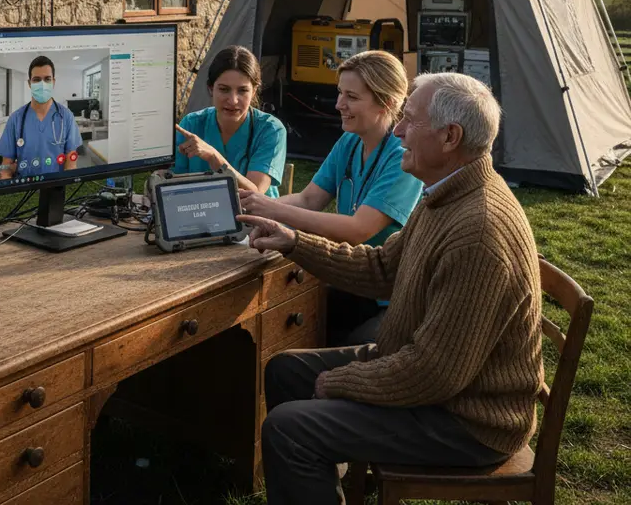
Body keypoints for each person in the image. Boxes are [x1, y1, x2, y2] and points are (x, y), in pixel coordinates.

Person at [239, 73, 544, 505]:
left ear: (450, 136)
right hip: (434, 381)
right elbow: (384, 267)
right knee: (285, 370)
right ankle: (322, 484)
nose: (398, 129)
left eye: (410, 120)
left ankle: (312, 463)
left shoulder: (477, 233)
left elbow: (433, 373)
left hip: (468, 421)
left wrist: (344, 381)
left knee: (289, 429)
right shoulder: (447, 195)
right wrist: (294, 242)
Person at [239, 50, 423, 345]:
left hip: (390, 296)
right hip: (351, 280)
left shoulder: (402, 157)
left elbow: (358, 229)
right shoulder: (350, 140)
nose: (339, 104)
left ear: (386, 102)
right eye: (339, 93)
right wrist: (247, 206)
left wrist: (270, 208)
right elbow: (309, 199)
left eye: (351, 96)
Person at [173, 45, 287, 196]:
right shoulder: (191, 124)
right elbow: (174, 183)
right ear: (210, 88)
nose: (233, 101)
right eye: (224, 89)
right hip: (201, 213)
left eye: (242, 90)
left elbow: (256, 195)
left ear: (254, 91)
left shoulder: (271, 130)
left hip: (255, 216)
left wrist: (215, 157)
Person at [0, 56, 83, 179]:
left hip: (56, 186)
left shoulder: (66, 116)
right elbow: (6, 167)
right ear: (29, 83)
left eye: (47, 79)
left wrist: (65, 188)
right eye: (37, 80)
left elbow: (71, 163)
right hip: (24, 187)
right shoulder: (16, 119)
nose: (42, 85)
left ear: (53, 82)